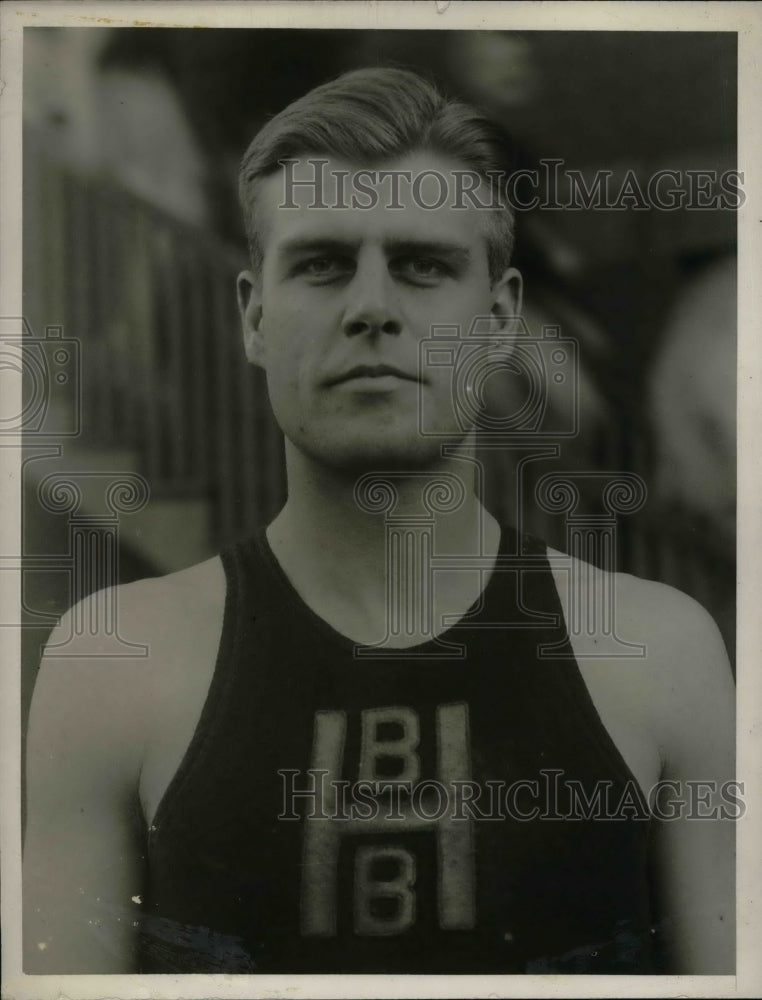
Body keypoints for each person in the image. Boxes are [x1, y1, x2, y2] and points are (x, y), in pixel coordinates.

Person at [23, 67, 735, 976]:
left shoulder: (660, 651)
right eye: (321, 264)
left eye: (423, 266)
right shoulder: (111, 662)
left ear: (499, 318)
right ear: (252, 316)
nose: (370, 308)